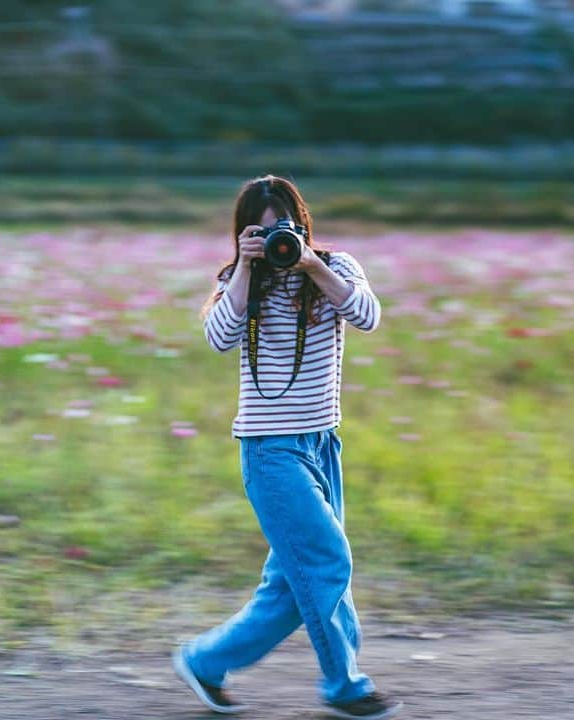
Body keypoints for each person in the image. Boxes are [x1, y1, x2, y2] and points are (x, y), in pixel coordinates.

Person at [172, 175, 403, 720]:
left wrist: (311, 267)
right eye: (264, 231)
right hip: (269, 451)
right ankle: (346, 688)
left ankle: (204, 662)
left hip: (323, 445)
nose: (279, 241)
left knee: (289, 586)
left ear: (302, 224)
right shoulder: (239, 280)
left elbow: (368, 317)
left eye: (286, 229)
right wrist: (248, 269)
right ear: (245, 234)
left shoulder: (336, 267)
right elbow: (218, 338)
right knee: (325, 560)